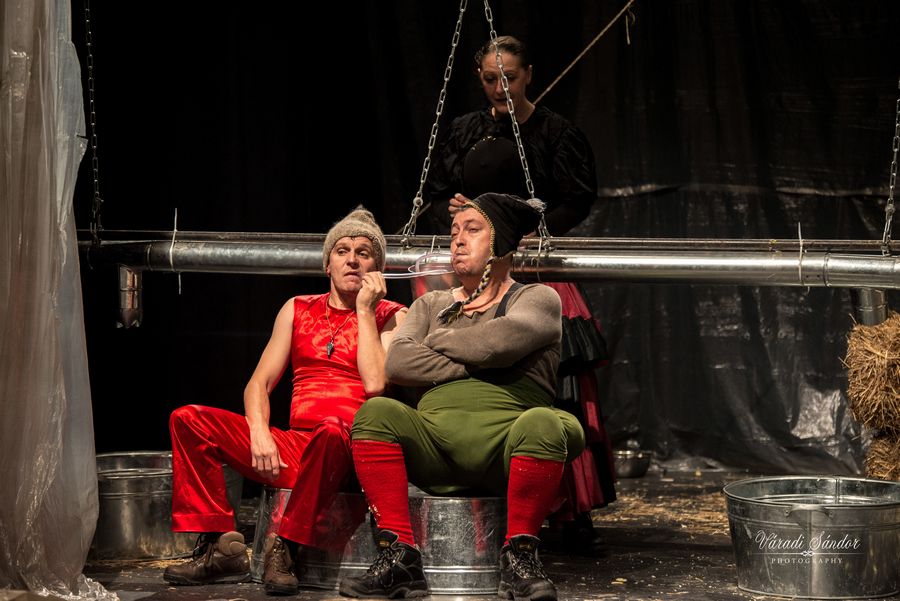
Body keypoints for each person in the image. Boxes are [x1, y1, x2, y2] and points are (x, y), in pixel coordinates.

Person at [340, 193, 585, 601]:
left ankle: (520, 559)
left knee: (544, 422)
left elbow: (498, 343)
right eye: (454, 231)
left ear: (502, 241)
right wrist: (486, 361)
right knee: (376, 412)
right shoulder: (430, 303)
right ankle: (400, 558)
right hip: (436, 448)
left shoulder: (537, 299)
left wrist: (438, 341)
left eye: (472, 230)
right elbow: (398, 363)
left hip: (507, 448)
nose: (457, 240)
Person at [423, 35, 616, 549]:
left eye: (508, 78)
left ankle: (571, 510)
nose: (500, 88)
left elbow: (578, 198)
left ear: (528, 74)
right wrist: (451, 210)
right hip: (477, 268)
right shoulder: (464, 130)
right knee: (474, 369)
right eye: (490, 79)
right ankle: (482, 497)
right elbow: (435, 195)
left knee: (558, 384)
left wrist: (533, 228)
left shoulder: (554, 132)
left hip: (534, 268)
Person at [161, 207, 407, 595]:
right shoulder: (298, 309)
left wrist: (364, 309)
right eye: (342, 251)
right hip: (297, 446)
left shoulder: (393, 316)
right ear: (327, 263)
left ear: (378, 267)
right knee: (188, 418)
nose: (352, 260)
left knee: (331, 430)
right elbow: (258, 384)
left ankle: (285, 547)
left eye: (364, 252)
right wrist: (260, 431)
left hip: (349, 449)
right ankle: (219, 547)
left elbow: (376, 385)